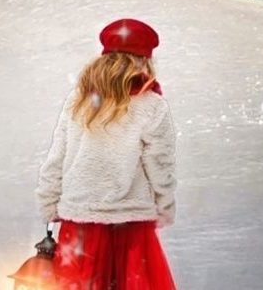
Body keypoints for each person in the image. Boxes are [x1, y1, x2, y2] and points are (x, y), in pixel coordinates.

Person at [36, 19, 178, 290]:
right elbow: (160, 164)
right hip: (130, 222)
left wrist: (49, 202)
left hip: (80, 218)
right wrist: (164, 205)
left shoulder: (79, 99)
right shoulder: (151, 105)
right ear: (144, 61)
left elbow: (58, 156)